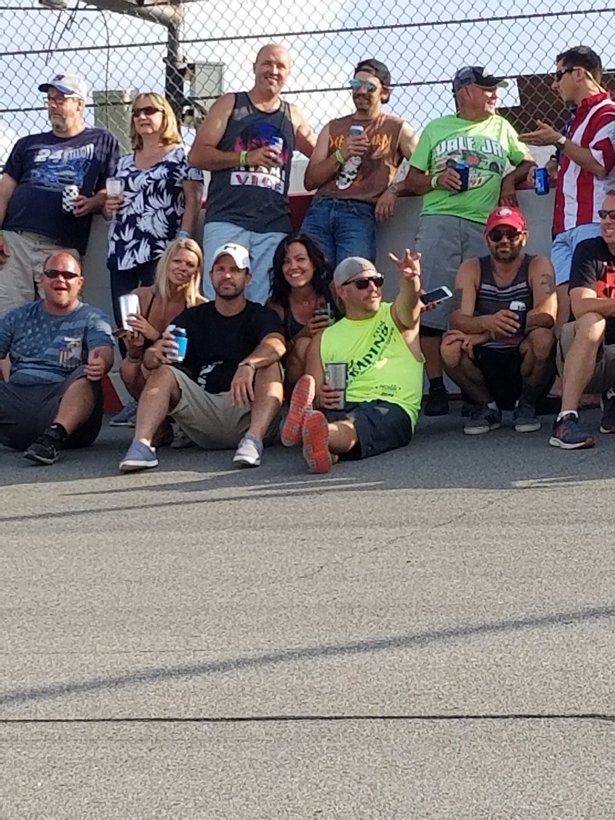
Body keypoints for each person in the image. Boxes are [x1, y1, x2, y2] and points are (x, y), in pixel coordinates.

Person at [396, 66, 534, 416]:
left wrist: (507, 182)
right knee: (432, 304)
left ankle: (480, 392)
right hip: (439, 221)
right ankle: (438, 387)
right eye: (488, 89)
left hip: (484, 225)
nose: (495, 94)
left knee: (479, 308)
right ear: (465, 91)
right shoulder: (436, 128)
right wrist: (439, 180)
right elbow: (412, 180)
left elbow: (526, 162)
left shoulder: (501, 127)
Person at [119, 242, 285, 472]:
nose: (227, 275)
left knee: (270, 365)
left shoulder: (261, 314)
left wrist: (249, 364)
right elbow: (154, 359)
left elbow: (276, 343)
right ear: (210, 275)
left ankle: (253, 442)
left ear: (248, 278)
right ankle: (142, 446)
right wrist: (153, 353)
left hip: (246, 410)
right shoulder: (192, 317)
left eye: (235, 270)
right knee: (163, 372)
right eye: (220, 269)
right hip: (203, 410)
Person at [188, 43, 316, 305]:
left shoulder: (292, 114)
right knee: (219, 300)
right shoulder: (231, 103)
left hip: (273, 225)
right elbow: (197, 155)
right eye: (267, 63)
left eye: (280, 66)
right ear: (255, 67)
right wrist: (246, 157)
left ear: (288, 73)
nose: (273, 70)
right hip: (228, 219)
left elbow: (320, 154)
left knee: (260, 305)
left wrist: (347, 151)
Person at [281, 253, 424, 474]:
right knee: (329, 418)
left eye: (377, 281)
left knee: (354, 425)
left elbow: (410, 305)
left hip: (390, 403)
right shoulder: (323, 337)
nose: (373, 288)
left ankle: (315, 434)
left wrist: (410, 279)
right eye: (362, 283)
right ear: (341, 291)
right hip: (340, 406)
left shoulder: (395, 315)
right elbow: (313, 386)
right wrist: (320, 396)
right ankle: (324, 446)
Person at [0, 72, 119, 316]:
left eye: (60, 99)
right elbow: (3, 192)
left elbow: (112, 187)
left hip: (60, 245)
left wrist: (93, 202)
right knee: (8, 317)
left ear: (80, 104)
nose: (53, 105)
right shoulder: (27, 144)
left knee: (62, 318)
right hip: (16, 240)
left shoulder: (101, 140)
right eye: (50, 99)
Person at [520, 47, 615, 332]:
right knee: (563, 312)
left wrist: (558, 140)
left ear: (579, 73)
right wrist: (551, 164)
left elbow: (600, 164)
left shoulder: (608, 113)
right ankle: (566, 373)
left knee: (593, 307)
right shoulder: (575, 119)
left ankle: (596, 372)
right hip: (564, 227)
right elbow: (571, 161)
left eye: (558, 74)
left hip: (593, 223)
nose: (554, 83)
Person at [441, 206, 557, 435]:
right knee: (449, 345)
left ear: (524, 236)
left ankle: (527, 404)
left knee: (544, 339)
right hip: (485, 358)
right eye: (497, 235)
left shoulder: (538, 264)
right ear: (487, 239)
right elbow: (456, 317)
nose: (504, 240)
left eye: (512, 234)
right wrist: (487, 322)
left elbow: (547, 315)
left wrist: (487, 331)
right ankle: (485, 406)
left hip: (522, 357)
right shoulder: (471, 267)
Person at [300, 58, 417, 267]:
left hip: (359, 211)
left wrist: (394, 190)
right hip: (321, 208)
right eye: (356, 85)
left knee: (355, 277)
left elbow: (423, 172)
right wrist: (341, 154)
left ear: (385, 92)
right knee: (313, 277)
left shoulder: (397, 128)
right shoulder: (333, 127)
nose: (361, 91)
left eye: (370, 86)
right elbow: (310, 181)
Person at [0, 252, 114, 465]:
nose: (60, 279)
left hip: (64, 408)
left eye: (68, 275)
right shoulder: (16, 316)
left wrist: (101, 362)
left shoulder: (93, 317)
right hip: (17, 404)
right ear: (41, 279)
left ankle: (52, 439)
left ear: (80, 283)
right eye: (52, 273)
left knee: (87, 372)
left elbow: (102, 350)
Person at [104, 92, 203, 332]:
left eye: (149, 111)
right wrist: (108, 208)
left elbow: (194, 200)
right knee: (126, 321)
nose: (142, 116)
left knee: (155, 315)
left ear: (165, 115)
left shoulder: (181, 156)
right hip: (123, 249)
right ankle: (132, 365)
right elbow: (113, 207)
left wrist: (183, 238)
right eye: (137, 112)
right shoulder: (124, 162)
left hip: (161, 248)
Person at [111, 238, 206, 427]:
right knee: (129, 367)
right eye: (177, 261)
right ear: (166, 263)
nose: (182, 268)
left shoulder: (200, 306)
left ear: (197, 272)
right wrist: (132, 344)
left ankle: (169, 421)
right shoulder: (141, 296)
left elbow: (194, 354)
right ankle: (159, 423)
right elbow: (134, 354)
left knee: (152, 364)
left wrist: (153, 334)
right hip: (147, 369)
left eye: (190, 265)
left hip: (185, 372)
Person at [549, 191, 615, 449]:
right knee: (592, 321)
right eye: (603, 215)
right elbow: (580, 305)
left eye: (613, 215)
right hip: (585, 350)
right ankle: (565, 419)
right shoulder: (589, 250)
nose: (606, 221)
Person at [268, 233, 338, 389]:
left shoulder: (332, 293)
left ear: (314, 263)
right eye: (286, 262)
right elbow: (275, 353)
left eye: (300, 259)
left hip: (338, 365)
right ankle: (307, 402)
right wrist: (304, 333)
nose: (293, 266)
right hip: (295, 379)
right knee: (303, 344)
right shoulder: (277, 305)